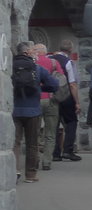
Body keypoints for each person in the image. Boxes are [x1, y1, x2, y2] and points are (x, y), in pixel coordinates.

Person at [12, 41, 55, 182]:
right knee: (32, 143)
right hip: (33, 111)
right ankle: (30, 175)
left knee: (15, 143)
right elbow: (54, 85)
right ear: (27, 53)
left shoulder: (9, 66)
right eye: (33, 50)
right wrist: (40, 88)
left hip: (14, 111)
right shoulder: (37, 69)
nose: (35, 53)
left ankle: (14, 171)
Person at [33, 43, 64, 171]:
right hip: (51, 100)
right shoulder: (53, 63)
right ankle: (46, 162)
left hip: (35, 100)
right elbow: (61, 80)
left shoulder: (33, 63)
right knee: (50, 133)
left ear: (36, 51)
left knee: (34, 133)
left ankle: (34, 160)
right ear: (45, 52)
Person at [50, 40, 82, 162]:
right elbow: (72, 84)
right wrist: (77, 102)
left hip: (51, 95)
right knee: (71, 122)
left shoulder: (50, 59)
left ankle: (55, 153)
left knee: (54, 124)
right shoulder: (68, 62)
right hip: (66, 96)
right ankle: (68, 150)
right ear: (69, 50)